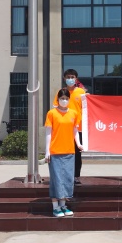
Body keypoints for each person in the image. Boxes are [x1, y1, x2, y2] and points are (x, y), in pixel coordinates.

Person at [45, 88, 83, 217]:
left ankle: (63, 205)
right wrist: (47, 151)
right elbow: (48, 133)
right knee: (56, 179)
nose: (64, 101)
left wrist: (78, 144)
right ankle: (55, 207)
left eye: (66, 98)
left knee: (67, 179)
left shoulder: (73, 113)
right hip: (55, 151)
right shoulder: (51, 113)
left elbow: (75, 131)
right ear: (58, 99)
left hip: (69, 151)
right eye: (62, 98)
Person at [53, 69, 87, 184]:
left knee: (77, 153)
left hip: (78, 128)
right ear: (64, 78)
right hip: (64, 128)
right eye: (68, 77)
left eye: (72, 77)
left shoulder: (81, 92)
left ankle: (76, 176)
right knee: (64, 153)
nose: (70, 79)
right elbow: (55, 109)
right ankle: (64, 176)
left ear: (76, 79)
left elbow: (87, 109)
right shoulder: (61, 92)